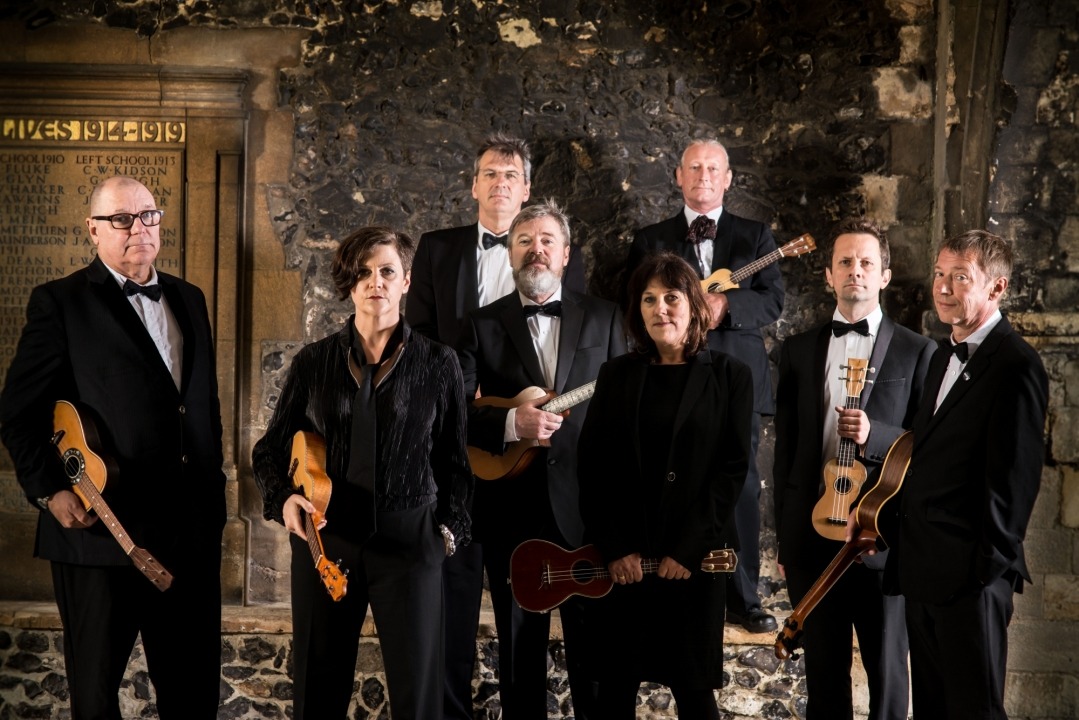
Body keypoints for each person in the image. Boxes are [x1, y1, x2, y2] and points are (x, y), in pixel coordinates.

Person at [0, 176, 225, 719]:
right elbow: (18, 412)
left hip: (189, 532)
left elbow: (199, 409)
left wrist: (213, 502)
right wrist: (49, 490)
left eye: (148, 215)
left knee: (193, 696)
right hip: (101, 531)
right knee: (96, 698)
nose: (138, 229)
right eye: (121, 219)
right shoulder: (59, 303)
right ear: (93, 230)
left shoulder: (190, 299)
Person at [252, 226, 472, 720]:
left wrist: (447, 537)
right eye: (363, 273)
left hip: (411, 544)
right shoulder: (314, 362)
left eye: (387, 271)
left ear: (407, 281)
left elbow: (456, 466)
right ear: (349, 285)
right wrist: (284, 500)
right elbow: (268, 452)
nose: (376, 282)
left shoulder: (440, 364)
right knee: (318, 694)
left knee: (420, 704)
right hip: (326, 542)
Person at [406, 133, 586, 719]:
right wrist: (471, 399)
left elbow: (571, 359)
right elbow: (421, 345)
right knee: (452, 603)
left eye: (511, 175)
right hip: (456, 448)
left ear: (526, 187)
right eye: (489, 174)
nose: (500, 183)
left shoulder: (558, 259)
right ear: (474, 184)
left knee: (523, 613)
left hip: (540, 460)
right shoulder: (438, 249)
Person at [457, 199, 625, 719]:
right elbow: (455, 413)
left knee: (594, 658)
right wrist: (513, 424)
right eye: (525, 241)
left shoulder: (608, 316)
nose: (537, 250)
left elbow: (626, 413)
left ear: (567, 253)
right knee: (518, 657)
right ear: (510, 253)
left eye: (547, 240)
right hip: (511, 511)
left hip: (589, 511)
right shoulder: (478, 325)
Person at [882, 229, 1048, 719]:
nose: (943, 287)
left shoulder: (1017, 366)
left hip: (972, 581)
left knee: (975, 711)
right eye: (939, 274)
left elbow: (1015, 484)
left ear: (996, 288)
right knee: (932, 710)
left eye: (960, 277)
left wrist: (982, 574)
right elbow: (927, 457)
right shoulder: (940, 355)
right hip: (924, 571)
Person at [578, 252, 752, 718]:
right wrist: (614, 548)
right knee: (614, 692)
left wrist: (687, 548)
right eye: (649, 299)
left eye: (671, 297)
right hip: (626, 564)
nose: (660, 309)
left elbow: (732, 470)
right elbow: (592, 468)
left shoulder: (732, 376)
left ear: (694, 305)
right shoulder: (615, 375)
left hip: (691, 564)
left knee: (695, 694)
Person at [772, 219, 934, 719]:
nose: (855, 271)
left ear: (884, 275)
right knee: (823, 673)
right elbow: (785, 453)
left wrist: (876, 435)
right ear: (828, 274)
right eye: (844, 262)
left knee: (888, 674)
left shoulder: (918, 349)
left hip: (881, 538)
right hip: (813, 537)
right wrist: (785, 540)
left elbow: (927, 444)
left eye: (866, 262)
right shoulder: (797, 350)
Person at [624, 138, 783, 633]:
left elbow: (773, 301)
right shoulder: (650, 239)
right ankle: (672, 583)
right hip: (670, 379)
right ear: (678, 176)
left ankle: (744, 597)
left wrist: (726, 307)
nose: (704, 175)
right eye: (694, 167)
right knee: (669, 482)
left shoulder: (756, 236)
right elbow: (635, 302)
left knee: (740, 493)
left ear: (728, 177)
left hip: (737, 380)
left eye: (713, 167)